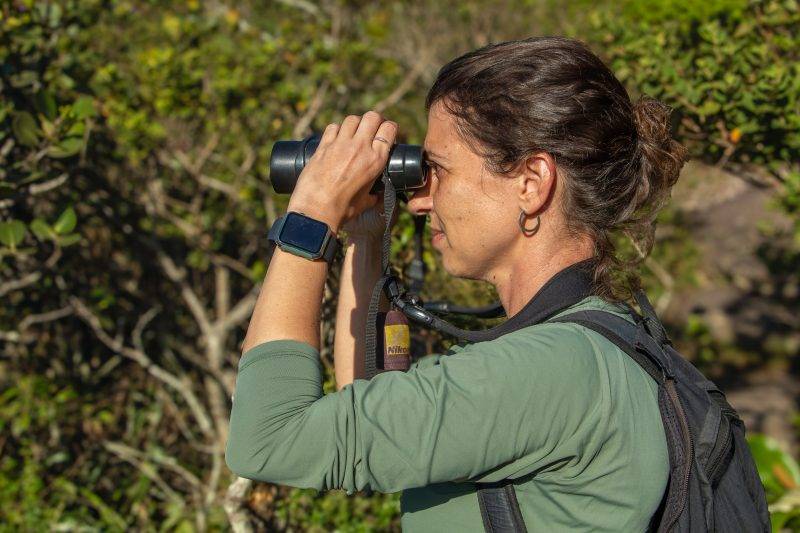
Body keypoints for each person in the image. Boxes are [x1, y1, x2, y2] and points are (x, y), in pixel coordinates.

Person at [225, 36, 687, 531]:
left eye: (439, 170)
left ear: (531, 183)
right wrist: (365, 237)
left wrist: (312, 211)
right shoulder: (592, 343)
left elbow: (269, 439)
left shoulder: (548, 368)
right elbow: (364, 418)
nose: (420, 200)